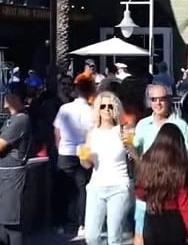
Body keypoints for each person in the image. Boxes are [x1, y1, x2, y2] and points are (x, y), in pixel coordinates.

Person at [79, 91, 132, 245]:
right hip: (96, 186)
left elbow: (135, 158)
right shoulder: (91, 133)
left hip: (119, 186)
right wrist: (84, 157)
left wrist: (130, 145)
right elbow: (87, 165)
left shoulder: (123, 130)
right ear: (98, 109)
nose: (107, 109)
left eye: (111, 106)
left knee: (114, 236)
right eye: (103, 106)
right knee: (91, 236)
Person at [133, 123, 188, 245]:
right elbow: (184, 205)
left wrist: (138, 230)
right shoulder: (180, 168)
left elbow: (140, 194)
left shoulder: (147, 163)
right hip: (174, 222)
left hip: (152, 217)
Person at [0, 86, 32, 245]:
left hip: (13, 175)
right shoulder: (11, 119)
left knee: (12, 223)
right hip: (3, 174)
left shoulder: (21, 119)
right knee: (2, 222)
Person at [54, 77, 95, 238]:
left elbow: (57, 131)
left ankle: (62, 223)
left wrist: (59, 147)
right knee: (81, 189)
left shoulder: (65, 108)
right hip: (83, 152)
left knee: (64, 190)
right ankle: (82, 224)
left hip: (65, 152)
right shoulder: (91, 110)